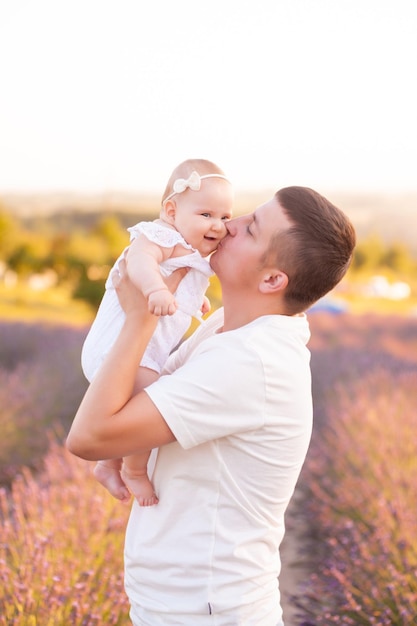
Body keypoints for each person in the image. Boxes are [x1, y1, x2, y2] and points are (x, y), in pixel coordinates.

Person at [67, 185, 356, 626]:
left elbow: (89, 437)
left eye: (250, 228)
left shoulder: (250, 361)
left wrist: (140, 320)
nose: (228, 225)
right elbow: (137, 396)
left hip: (207, 612)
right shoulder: (229, 327)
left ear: (273, 280)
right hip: (184, 605)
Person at [81, 158, 233, 505]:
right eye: (206, 215)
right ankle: (134, 469)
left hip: (142, 352)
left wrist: (195, 302)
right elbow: (140, 263)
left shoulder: (193, 255)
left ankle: (108, 463)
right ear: (170, 210)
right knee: (151, 405)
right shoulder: (161, 236)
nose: (218, 225)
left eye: (225, 217)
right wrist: (155, 291)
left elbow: (182, 288)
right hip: (117, 348)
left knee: (130, 408)